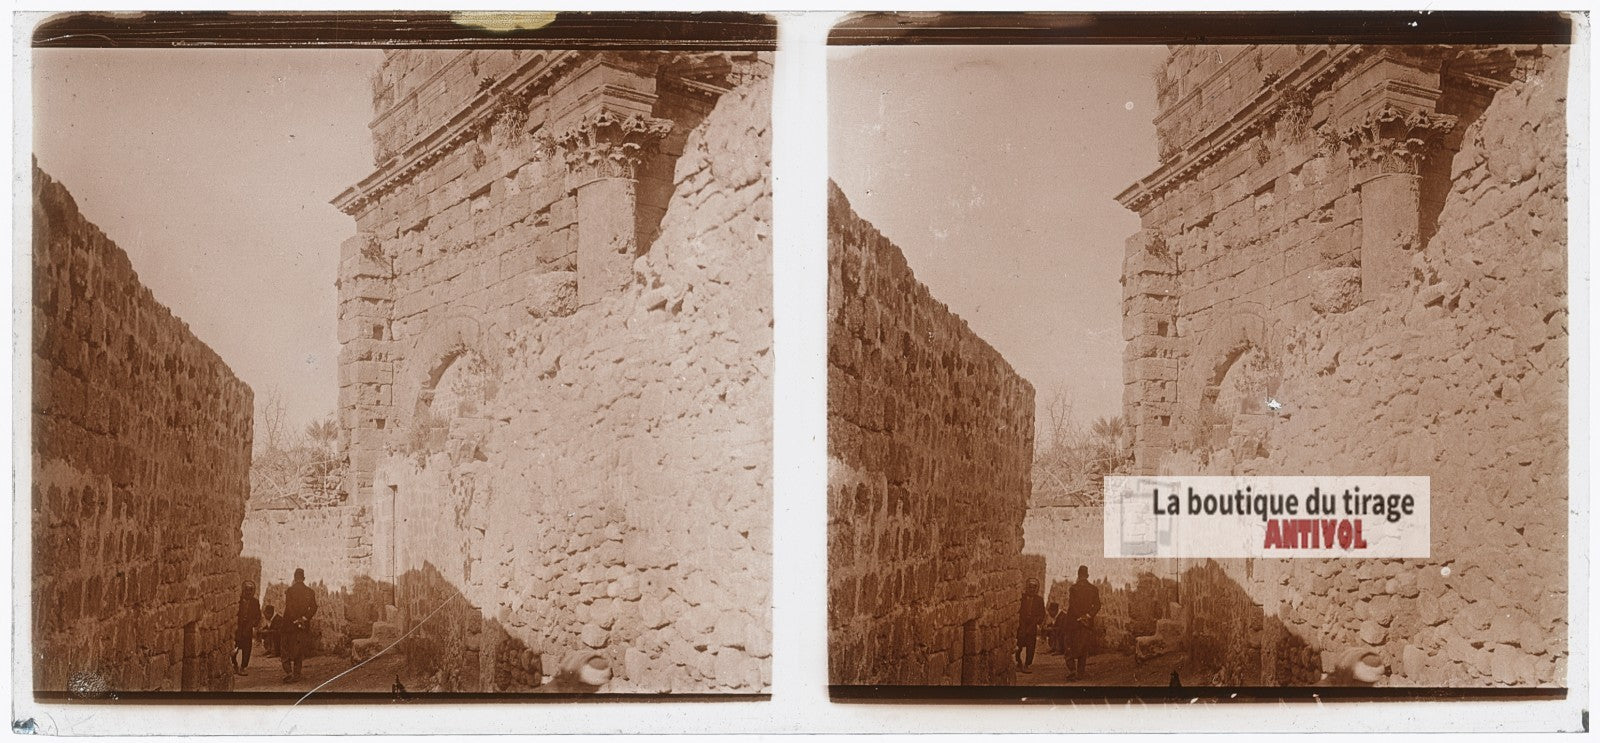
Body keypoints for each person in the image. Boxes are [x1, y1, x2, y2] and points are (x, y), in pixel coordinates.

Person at [280, 568, 318, 683]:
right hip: (302, 625)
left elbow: (289, 607)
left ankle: (288, 672)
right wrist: (303, 619)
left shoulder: (290, 591)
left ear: (294, 578)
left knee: (285, 647)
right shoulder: (310, 592)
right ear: (304, 578)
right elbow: (314, 607)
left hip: (289, 625)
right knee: (299, 649)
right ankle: (297, 674)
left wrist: (295, 619)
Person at [1064, 565, 1101, 679]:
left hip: (1073, 622)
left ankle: (1072, 669)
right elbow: (1097, 605)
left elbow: (1072, 605)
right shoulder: (1094, 589)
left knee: (1069, 645)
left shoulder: (1073, 588)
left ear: (1078, 575)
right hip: (1086, 623)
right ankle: (1080, 673)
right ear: (1087, 575)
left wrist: (1079, 617)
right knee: (1083, 647)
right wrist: (1088, 616)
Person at [1013, 578, 1045, 673]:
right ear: (1027, 587)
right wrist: (1020, 622)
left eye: (1034, 588)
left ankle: (1027, 664)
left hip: (1032, 626)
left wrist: (1037, 621)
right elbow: (1017, 610)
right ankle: (1019, 662)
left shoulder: (1039, 600)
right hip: (1021, 624)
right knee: (1019, 645)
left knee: (1031, 647)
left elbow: (1042, 613)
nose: (1032, 589)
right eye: (1030, 587)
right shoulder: (1021, 598)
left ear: (1036, 589)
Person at [231, 580, 261, 675]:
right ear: (243, 590)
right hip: (238, 627)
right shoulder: (238, 601)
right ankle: (234, 664)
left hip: (248, 628)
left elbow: (258, 616)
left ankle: (243, 667)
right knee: (235, 647)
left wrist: (253, 624)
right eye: (246, 590)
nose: (248, 592)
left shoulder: (255, 602)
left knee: (247, 649)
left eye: (250, 590)